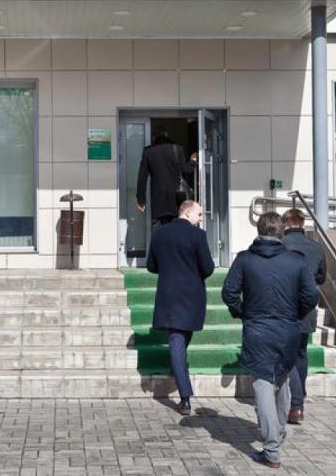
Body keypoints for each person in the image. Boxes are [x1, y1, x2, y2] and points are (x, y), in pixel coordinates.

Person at [221, 212, 318, 469]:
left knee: (264, 384)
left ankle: (272, 448)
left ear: (259, 230)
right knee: (282, 380)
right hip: (287, 329)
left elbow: (229, 293)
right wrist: (295, 314)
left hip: (257, 329)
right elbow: (311, 296)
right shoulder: (296, 261)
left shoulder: (245, 259)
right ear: (281, 232)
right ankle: (277, 434)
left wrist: (243, 312)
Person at [146, 200, 215, 416]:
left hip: (169, 294)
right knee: (178, 340)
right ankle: (185, 396)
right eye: (199, 214)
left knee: (179, 340)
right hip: (192, 295)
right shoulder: (198, 236)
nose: (201, 218)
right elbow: (208, 267)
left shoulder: (160, 234)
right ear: (186, 213)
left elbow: (151, 265)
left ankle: (178, 369)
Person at [281, 208, 326, 425]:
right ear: (303, 224)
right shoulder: (316, 247)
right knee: (301, 352)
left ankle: (295, 402)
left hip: (283, 306)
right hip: (307, 307)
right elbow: (322, 277)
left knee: (286, 354)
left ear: (285, 224)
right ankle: (300, 397)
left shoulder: (280, 245)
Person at [136, 130, 197, 230]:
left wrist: (141, 199)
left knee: (158, 230)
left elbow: (142, 177)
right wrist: (192, 161)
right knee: (175, 228)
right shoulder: (178, 149)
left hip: (157, 199)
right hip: (175, 197)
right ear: (167, 135)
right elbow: (186, 170)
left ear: (154, 138)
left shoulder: (148, 151)